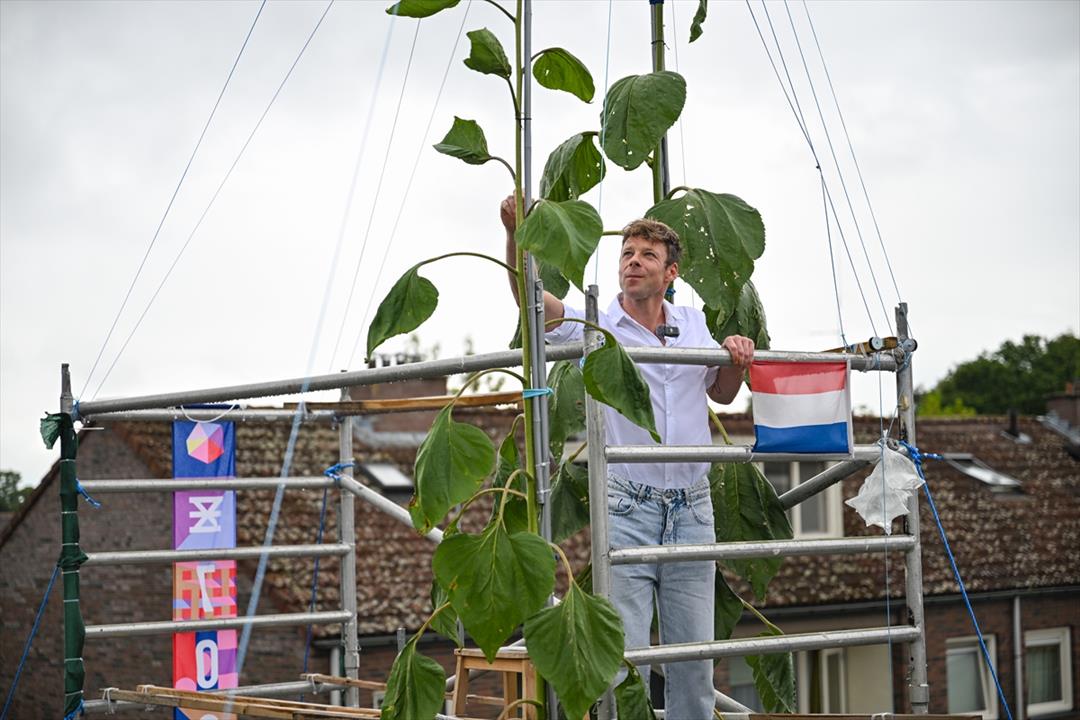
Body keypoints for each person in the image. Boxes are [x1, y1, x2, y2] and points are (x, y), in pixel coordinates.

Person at [500, 196, 754, 719]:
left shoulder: (693, 321)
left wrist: (736, 355)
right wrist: (515, 235)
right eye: (627, 253)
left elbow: (723, 393)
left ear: (671, 272)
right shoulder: (598, 321)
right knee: (624, 659)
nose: (633, 261)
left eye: (646, 255)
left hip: (691, 508)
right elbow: (529, 300)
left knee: (693, 660)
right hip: (628, 506)